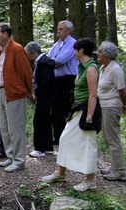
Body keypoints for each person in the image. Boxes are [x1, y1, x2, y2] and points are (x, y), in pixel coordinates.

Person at [42, 38, 99, 192]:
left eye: (75, 50)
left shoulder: (91, 69)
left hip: (87, 111)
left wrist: (89, 117)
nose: (73, 53)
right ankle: (60, 173)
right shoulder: (81, 67)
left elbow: (93, 95)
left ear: (81, 51)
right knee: (65, 139)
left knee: (88, 143)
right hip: (77, 109)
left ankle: (90, 180)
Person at [0, 23, 33, 172]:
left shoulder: (16, 49)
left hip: (14, 93)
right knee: (4, 126)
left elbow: (26, 72)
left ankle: (19, 160)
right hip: (1, 91)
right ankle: (10, 156)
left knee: (16, 128)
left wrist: (27, 91)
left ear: (5, 34)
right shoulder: (1, 50)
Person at [97, 41, 126, 181]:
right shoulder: (103, 68)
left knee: (113, 139)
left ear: (108, 55)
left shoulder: (115, 69)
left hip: (112, 106)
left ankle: (120, 171)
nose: (98, 54)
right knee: (107, 138)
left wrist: (124, 104)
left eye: (100, 51)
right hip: (103, 105)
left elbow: (123, 91)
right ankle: (114, 167)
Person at [47, 20, 79, 145]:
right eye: (58, 29)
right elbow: (49, 59)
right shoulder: (57, 44)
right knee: (55, 110)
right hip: (56, 80)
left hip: (68, 80)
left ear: (68, 31)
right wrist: (51, 62)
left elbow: (60, 60)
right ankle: (58, 137)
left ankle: (68, 138)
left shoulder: (73, 44)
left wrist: (51, 62)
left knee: (64, 109)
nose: (58, 32)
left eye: (61, 29)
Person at [25, 41, 55, 157]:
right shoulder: (43, 62)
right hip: (46, 96)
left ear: (33, 53)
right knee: (45, 120)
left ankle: (39, 148)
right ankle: (48, 147)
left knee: (39, 121)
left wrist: (36, 92)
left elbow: (44, 81)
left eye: (28, 54)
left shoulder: (43, 63)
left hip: (44, 96)